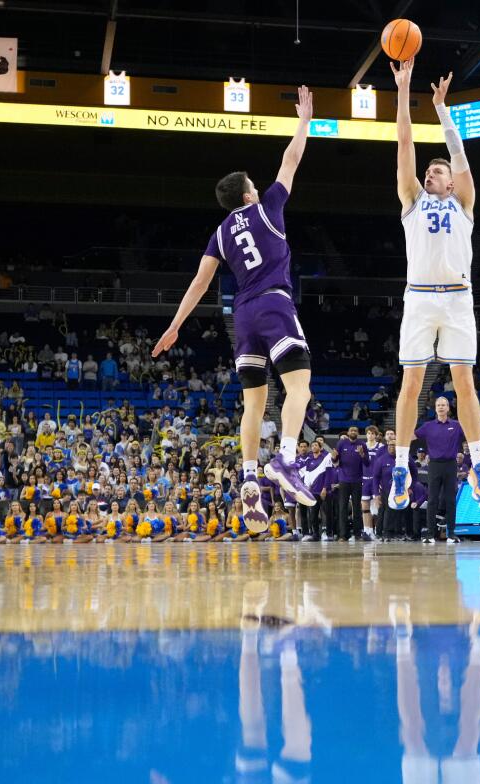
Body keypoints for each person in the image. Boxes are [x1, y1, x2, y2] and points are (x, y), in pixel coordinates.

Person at [153, 86, 317, 534]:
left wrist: (174, 327)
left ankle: (248, 476)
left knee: (253, 403)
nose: (257, 186)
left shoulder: (220, 234)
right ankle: (285, 458)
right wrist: (303, 120)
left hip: (240, 315)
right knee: (299, 387)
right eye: (252, 184)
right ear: (247, 195)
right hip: (274, 304)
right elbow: (292, 159)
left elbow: (200, 282)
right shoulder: (268, 208)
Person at [387, 60, 480, 514]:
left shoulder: (464, 202)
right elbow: (405, 143)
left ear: (451, 181)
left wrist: (443, 111)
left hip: (458, 299)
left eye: (438, 171)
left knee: (464, 382)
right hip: (420, 297)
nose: (431, 174)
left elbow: (461, 159)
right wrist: (405, 89)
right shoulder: (412, 199)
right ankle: (400, 466)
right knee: (411, 383)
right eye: (428, 172)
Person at [417, 397, 465, 543]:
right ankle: (430, 534)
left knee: (450, 500)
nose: (441, 407)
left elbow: (470, 434)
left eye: (443, 405)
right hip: (434, 465)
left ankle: (451, 534)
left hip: (451, 464)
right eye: (438, 405)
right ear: (435, 408)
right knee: (432, 500)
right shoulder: (428, 426)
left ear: (448, 407)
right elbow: (413, 435)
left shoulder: (457, 425)